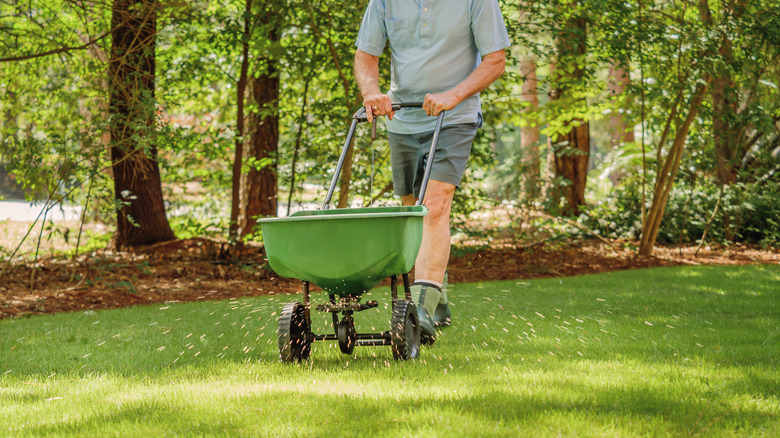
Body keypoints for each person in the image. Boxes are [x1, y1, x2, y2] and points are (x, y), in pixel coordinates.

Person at [354, 0, 510, 343]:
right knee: (412, 212)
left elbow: (495, 60)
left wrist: (454, 95)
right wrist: (372, 92)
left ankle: (420, 310)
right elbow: (367, 55)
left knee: (435, 206)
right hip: (402, 118)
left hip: (454, 117)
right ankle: (437, 295)